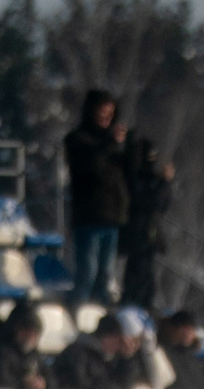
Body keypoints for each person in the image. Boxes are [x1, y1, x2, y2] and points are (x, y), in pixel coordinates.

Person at [64, 90, 127, 308]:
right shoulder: (78, 140)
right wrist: (109, 143)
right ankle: (76, 310)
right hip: (89, 216)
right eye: (103, 112)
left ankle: (101, 315)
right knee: (87, 273)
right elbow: (92, 167)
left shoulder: (111, 146)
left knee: (105, 275)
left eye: (110, 113)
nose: (107, 117)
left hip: (111, 217)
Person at [120, 133, 172, 310]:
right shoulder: (135, 178)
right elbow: (149, 201)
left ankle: (142, 305)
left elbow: (163, 204)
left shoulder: (151, 179)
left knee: (145, 274)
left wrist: (164, 183)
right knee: (137, 273)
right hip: (137, 232)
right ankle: (133, 304)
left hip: (148, 233)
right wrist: (163, 183)